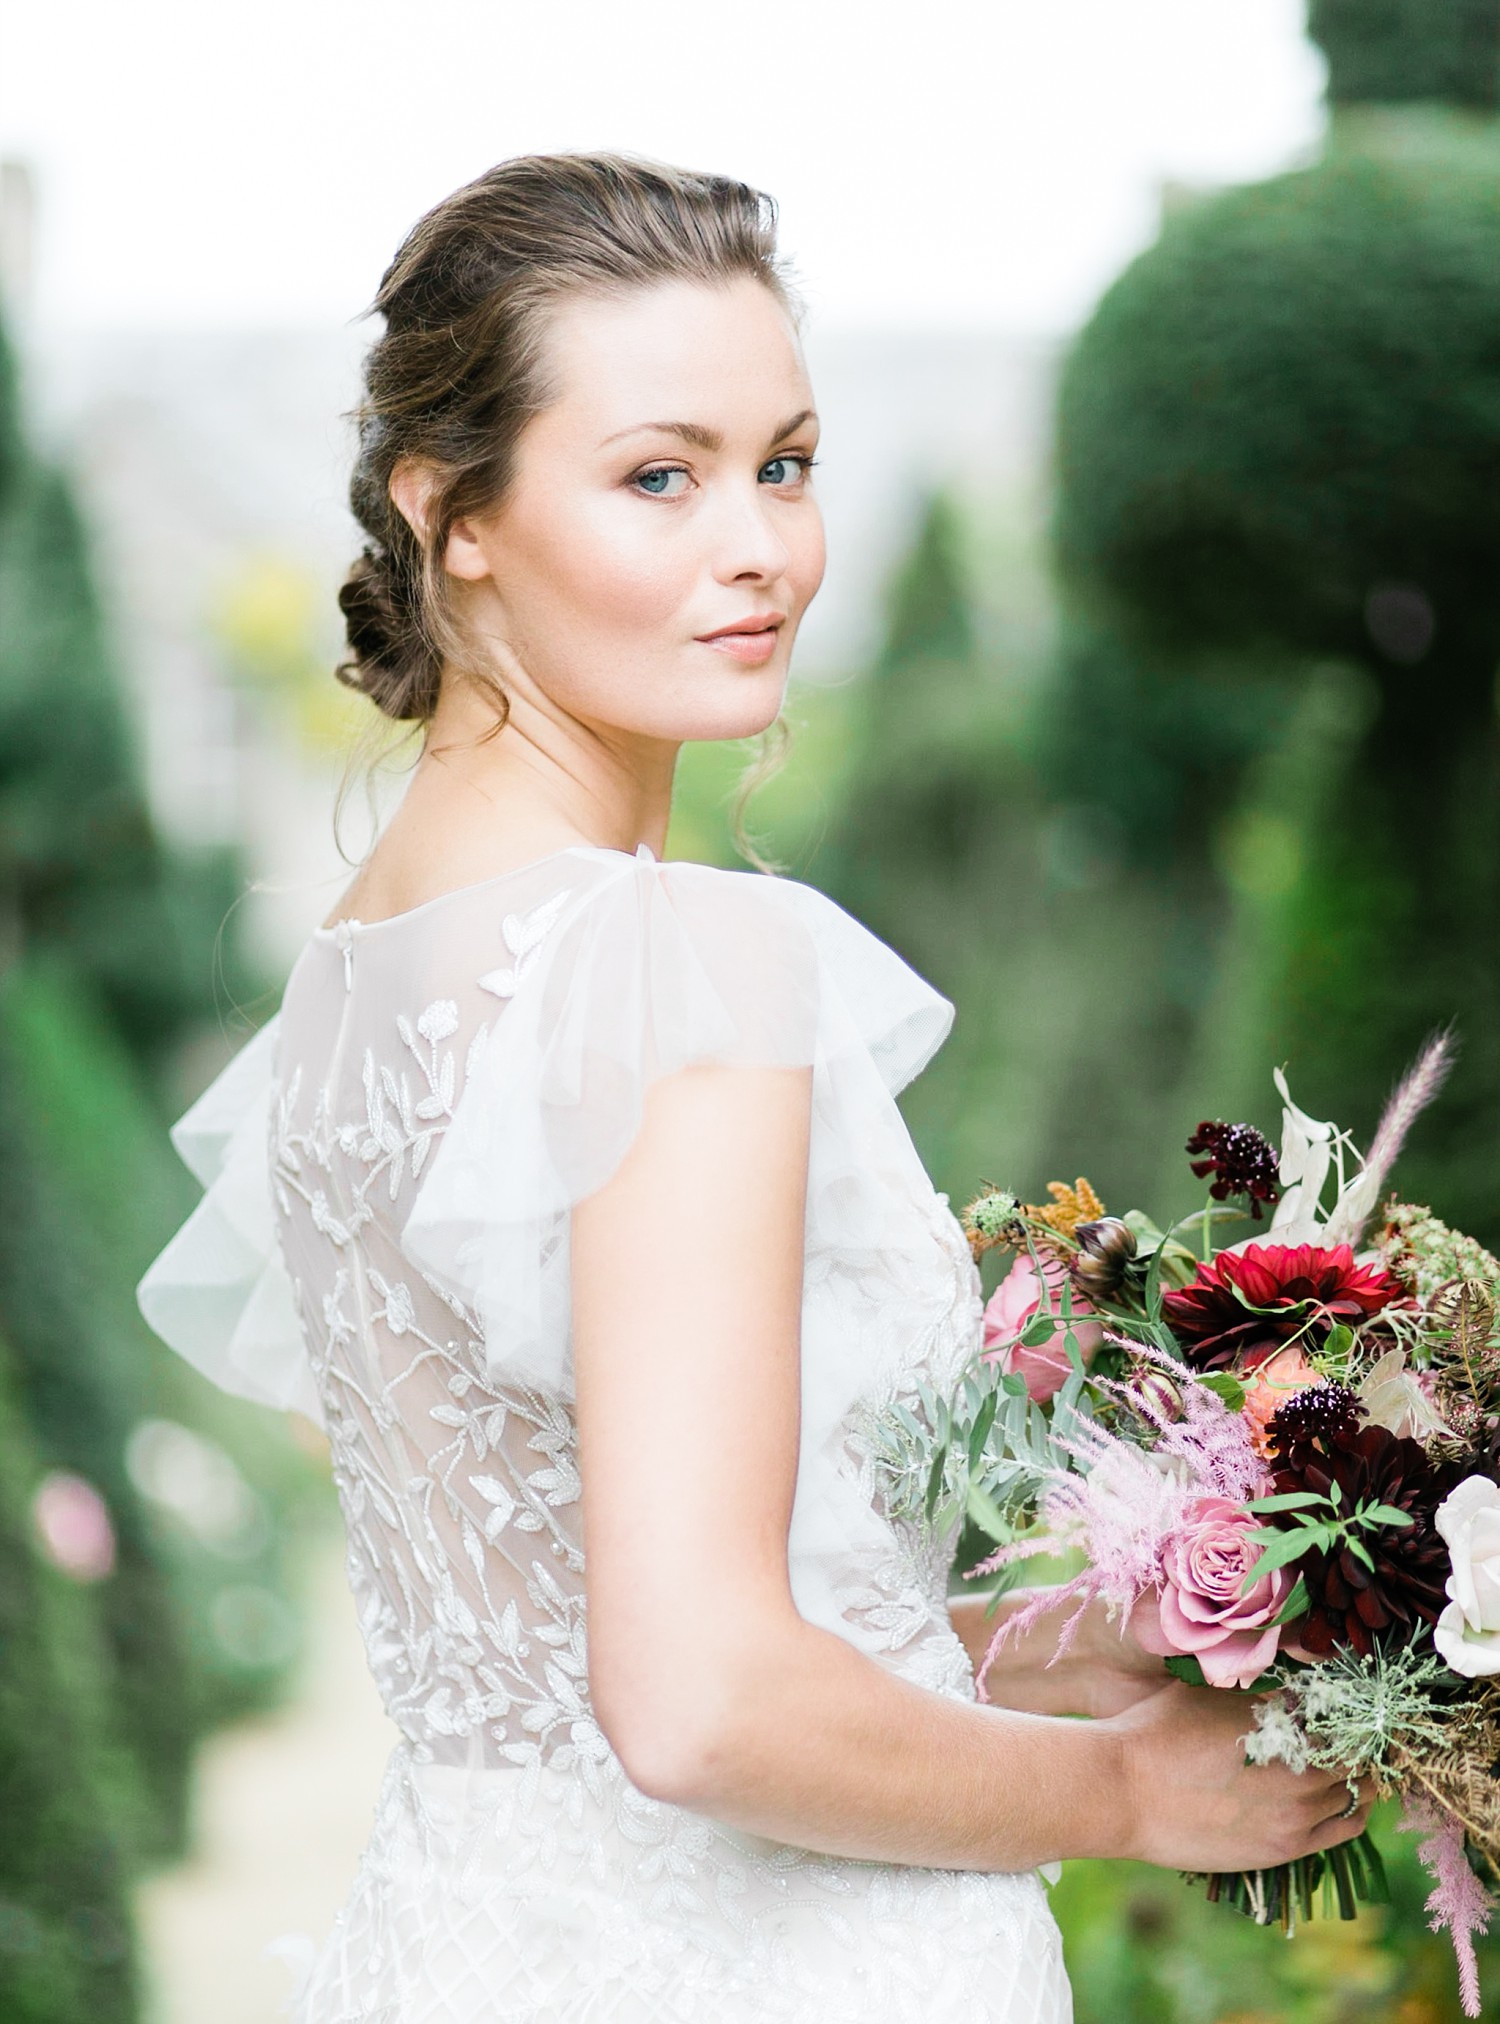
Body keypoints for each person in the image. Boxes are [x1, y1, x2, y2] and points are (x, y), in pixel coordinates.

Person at [136, 151, 1374, 2023]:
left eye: (784, 463)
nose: (762, 546)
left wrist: (1073, 1636)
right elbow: (702, 1703)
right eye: (661, 474)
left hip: (461, 1944)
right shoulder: (679, 965)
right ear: (448, 511)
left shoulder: (359, 973)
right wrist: (1131, 1790)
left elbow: (593, 1650)